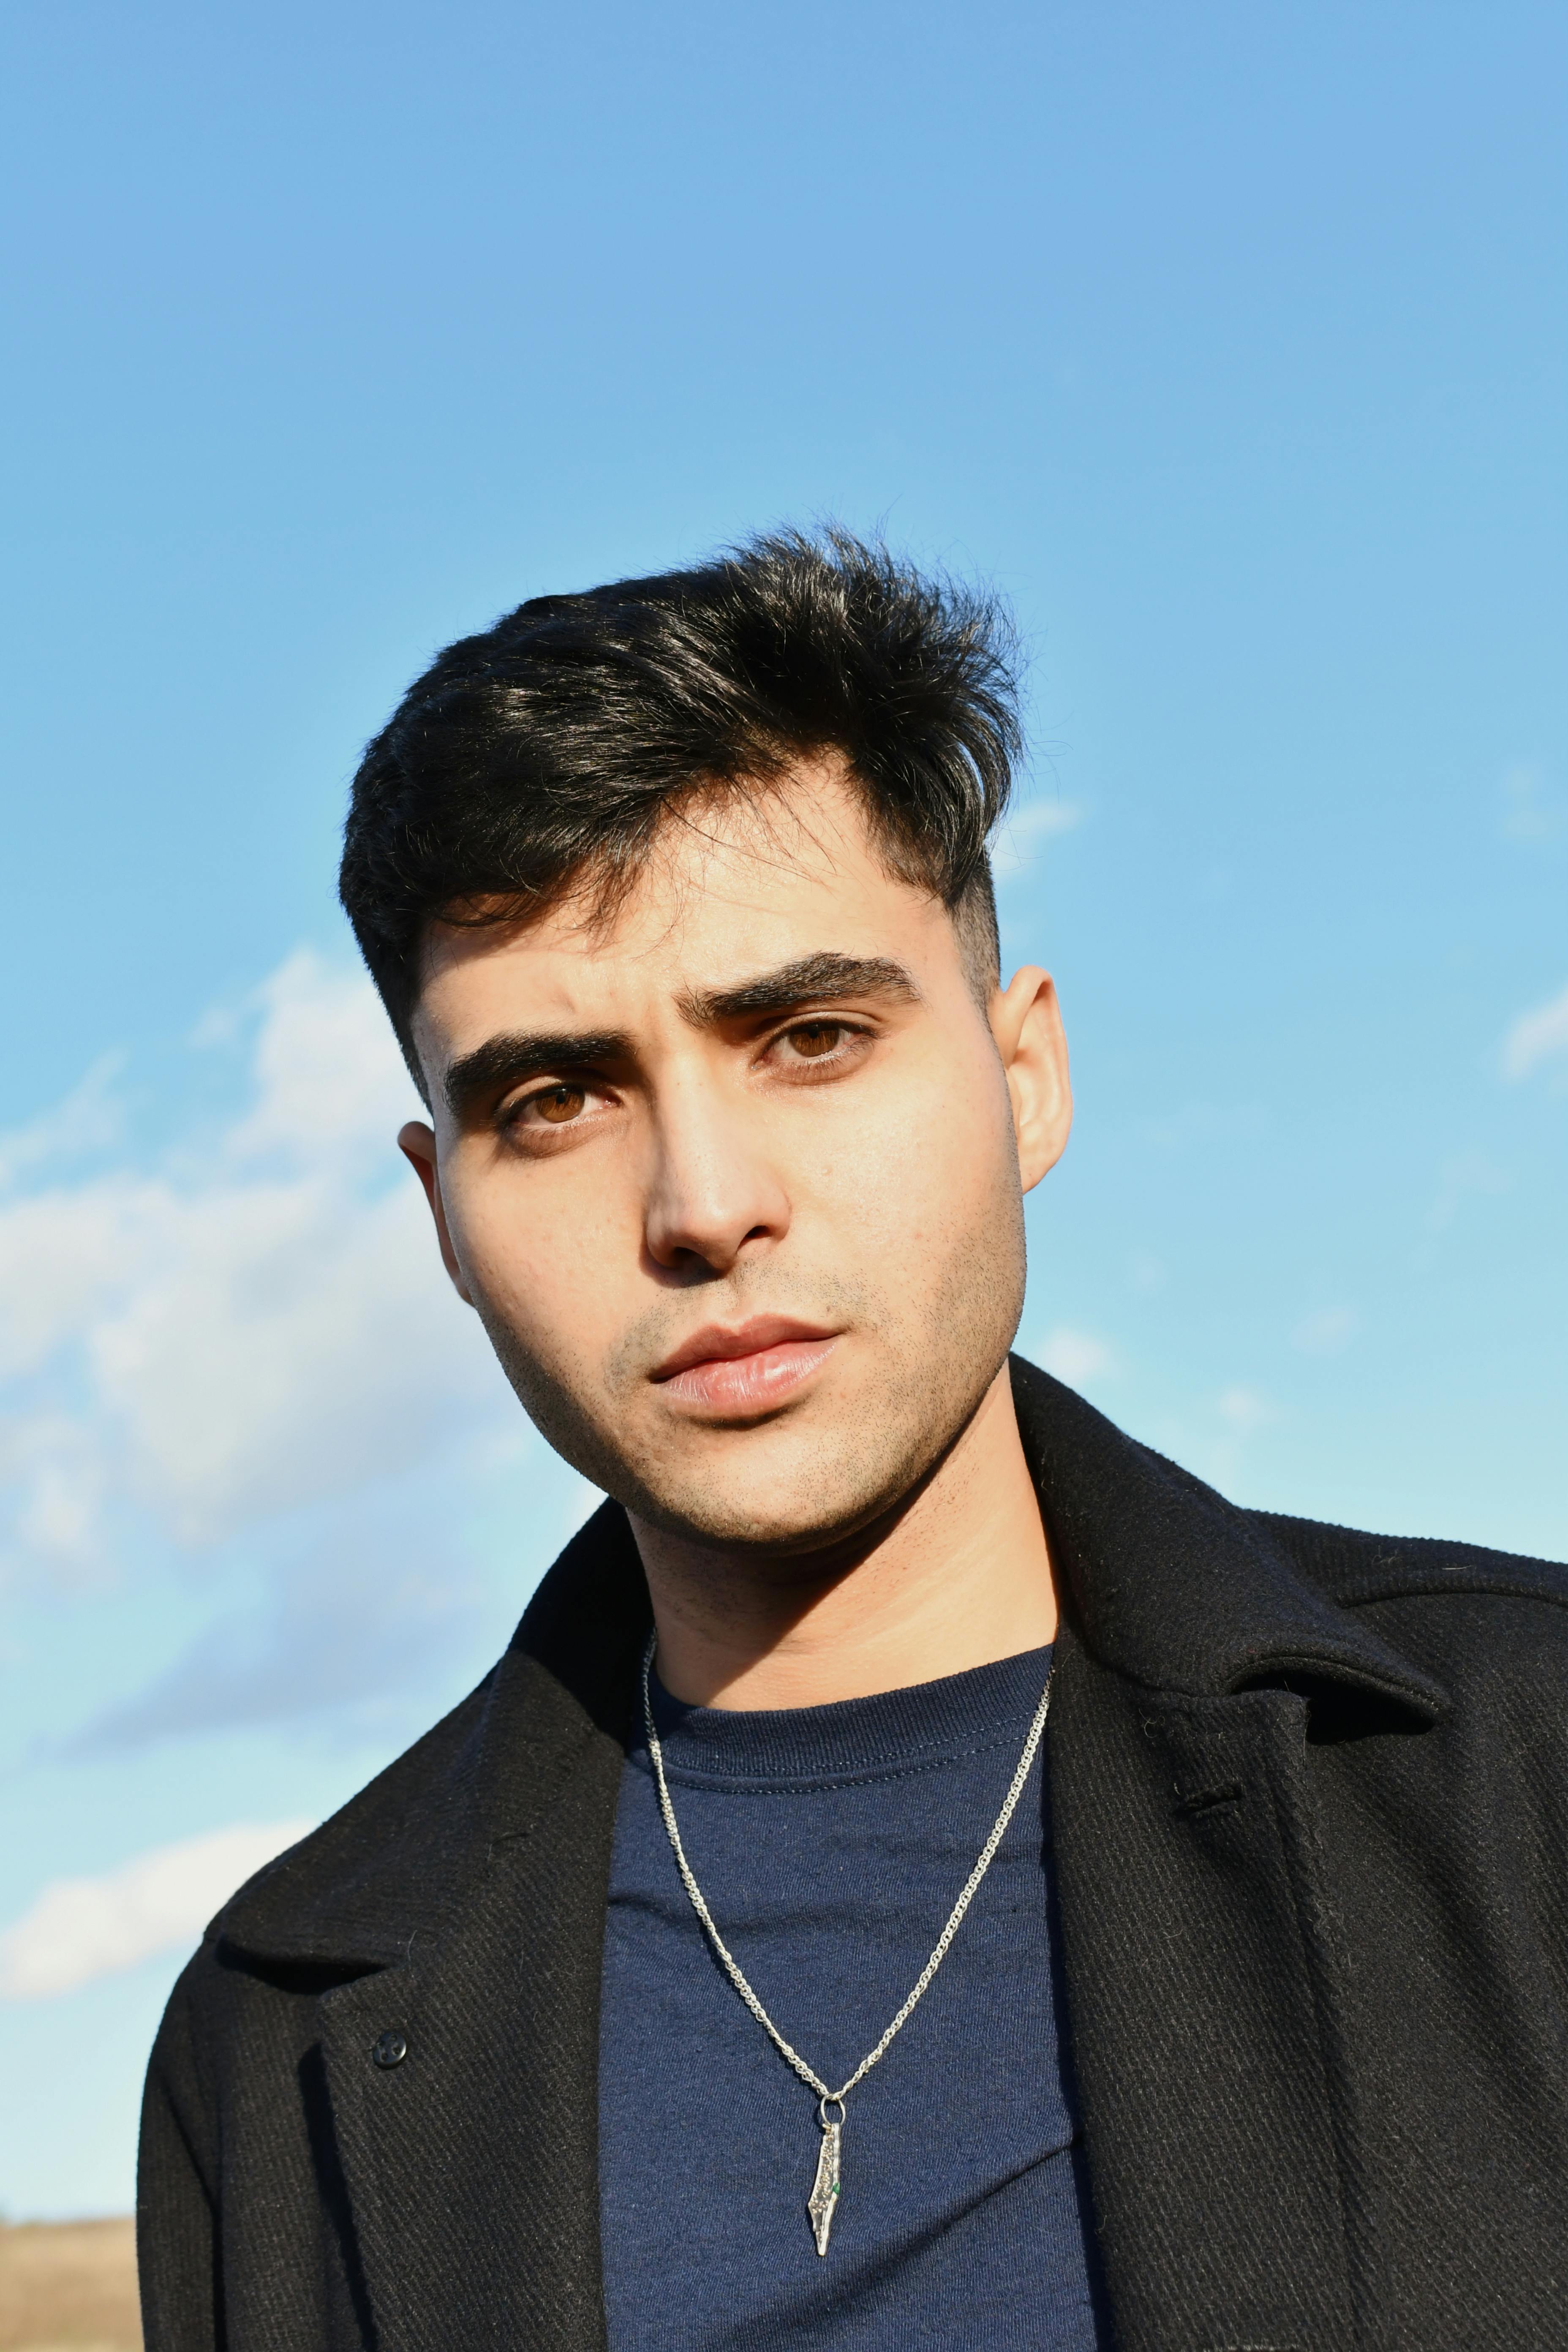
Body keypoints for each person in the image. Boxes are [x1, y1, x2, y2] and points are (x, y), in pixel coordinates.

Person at [137, 532, 1568, 2352]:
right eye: (553, 1100)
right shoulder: (282, 2044)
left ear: (1022, 1076)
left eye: (810, 1036)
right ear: (440, 1212)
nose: (704, 1206)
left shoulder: (1523, 1785)